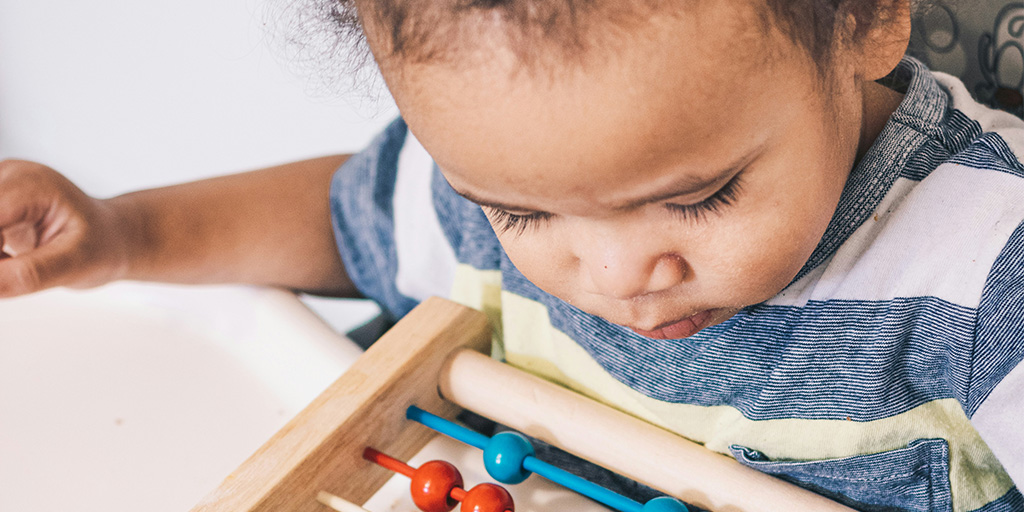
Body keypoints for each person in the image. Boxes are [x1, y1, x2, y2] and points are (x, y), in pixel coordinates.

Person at [1, 0, 1022, 508]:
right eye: (523, 217)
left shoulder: (989, 266)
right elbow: (341, 218)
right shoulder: (483, 180)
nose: (617, 274)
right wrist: (124, 233)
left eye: (698, 195)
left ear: (862, 18)